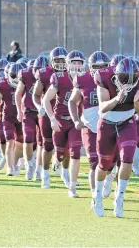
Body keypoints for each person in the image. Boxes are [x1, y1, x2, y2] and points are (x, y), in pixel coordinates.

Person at [92, 58, 139, 218]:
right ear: (116, 75)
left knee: (128, 158)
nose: (128, 83)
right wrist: (117, 99)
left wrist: (137, 102)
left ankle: (120, 197)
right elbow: (102, 106)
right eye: (124, 80)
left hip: (127, 122)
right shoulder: (103, 77)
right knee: (104, 164)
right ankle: (98, 197)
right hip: (107, 122)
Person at [68, 51, 110, 196]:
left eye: (103, 66)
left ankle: (107, 182)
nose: (99, 70)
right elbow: (72, 101)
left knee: (109, 162)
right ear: (90, 67)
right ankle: (95, 195)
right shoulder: (83, 79)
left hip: (108, 125)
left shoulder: (112, 78)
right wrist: (76, 120)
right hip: (89, 126)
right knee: (94, 161)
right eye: (96, 67)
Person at [43, 48, 83, 197]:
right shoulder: (59, 77)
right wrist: (52, 119)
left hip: (76, 122)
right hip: (60, 120)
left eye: (80, 62)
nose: (77, 65)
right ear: (68, 63)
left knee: (75, 153)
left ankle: (72, 186)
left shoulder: (87, 78)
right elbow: (46, 99)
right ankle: (57, 162)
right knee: (60, 153)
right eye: (74, 62)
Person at [0, 63, 25, 176]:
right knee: (10, 142)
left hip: (22, 117)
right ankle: (10, 168)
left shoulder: (26, 83)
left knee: (20, 144)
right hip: (8, 117)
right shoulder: (2, 85)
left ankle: (13, 162)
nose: (15, 78)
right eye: (13, 75)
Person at [15, 57, 43, 181]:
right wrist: (19, 111)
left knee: (43, 142)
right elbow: (18, 93)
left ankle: (39, 168)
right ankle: (29, 165)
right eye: (37, 69)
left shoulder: (49, 75)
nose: (39, 72)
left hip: (43, 112)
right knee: (28, 139)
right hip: (29, 111)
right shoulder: (26, 74)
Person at [32, 56, 55, 189]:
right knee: (44, 143)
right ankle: (40, 170)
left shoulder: (71, 74)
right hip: (46, 113)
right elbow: (35, 95)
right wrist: (39, 106)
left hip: (62, 113)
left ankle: (61, 169)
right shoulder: (44, 74)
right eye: (58, 61)